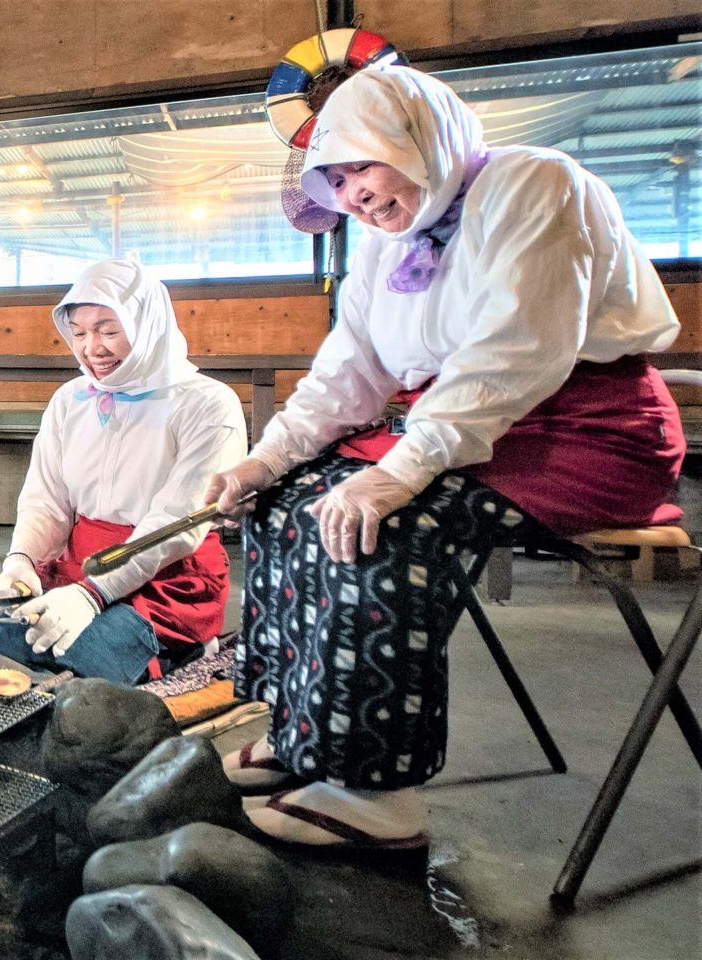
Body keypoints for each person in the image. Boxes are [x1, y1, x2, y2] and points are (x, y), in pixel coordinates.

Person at [206, 65, 683, 850]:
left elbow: (515, 351)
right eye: (337, 181)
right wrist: (264, 461)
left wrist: (399, 471)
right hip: (475, 426)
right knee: (288, 500)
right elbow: (348, 371)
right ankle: (304, 730)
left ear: (417, 138)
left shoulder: (535, 185)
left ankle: (377, 792)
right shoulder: (383, 243)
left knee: (386, 524)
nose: (352, 194)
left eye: (360, 165)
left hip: (590, 431)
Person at [0, 259, 246, 683]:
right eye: (79, 333)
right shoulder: (71, 400)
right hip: (77, 568)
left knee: (84, 661)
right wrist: (21, 560)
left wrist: (93, 593)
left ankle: (186, 647)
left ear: (147, 324)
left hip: (166, 577)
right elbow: (46, 498)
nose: (92, 348)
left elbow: (178, 522)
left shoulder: (208, 403)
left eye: (108, 331)